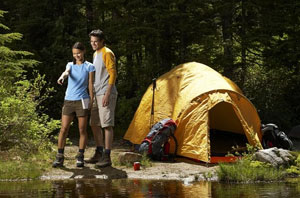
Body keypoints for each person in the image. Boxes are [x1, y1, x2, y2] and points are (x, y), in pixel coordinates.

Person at [53, 42, 95, 168]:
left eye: (79, 53)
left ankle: (80, 156)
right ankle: (60, 156)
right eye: (74, 53)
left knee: (82, 129)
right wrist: (62, 77)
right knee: (64, 128)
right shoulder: (70, 65)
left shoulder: (89, 66)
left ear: (84, 52)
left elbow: (90, 84)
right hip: (69, 100)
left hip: (82, 100)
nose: (77, 55)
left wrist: (92, 100)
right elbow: (66, 72)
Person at [85, 29, 117, 168]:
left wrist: (107, 93)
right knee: (94, 123)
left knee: (107, 124)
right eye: (91, 42)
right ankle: (99, 151)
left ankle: (107, 156)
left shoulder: (107, 52)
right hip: (96, 93)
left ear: (102, 41)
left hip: (106, 92)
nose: (93, 44)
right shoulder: (95, 54)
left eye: (96, 42)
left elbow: (113, 73)